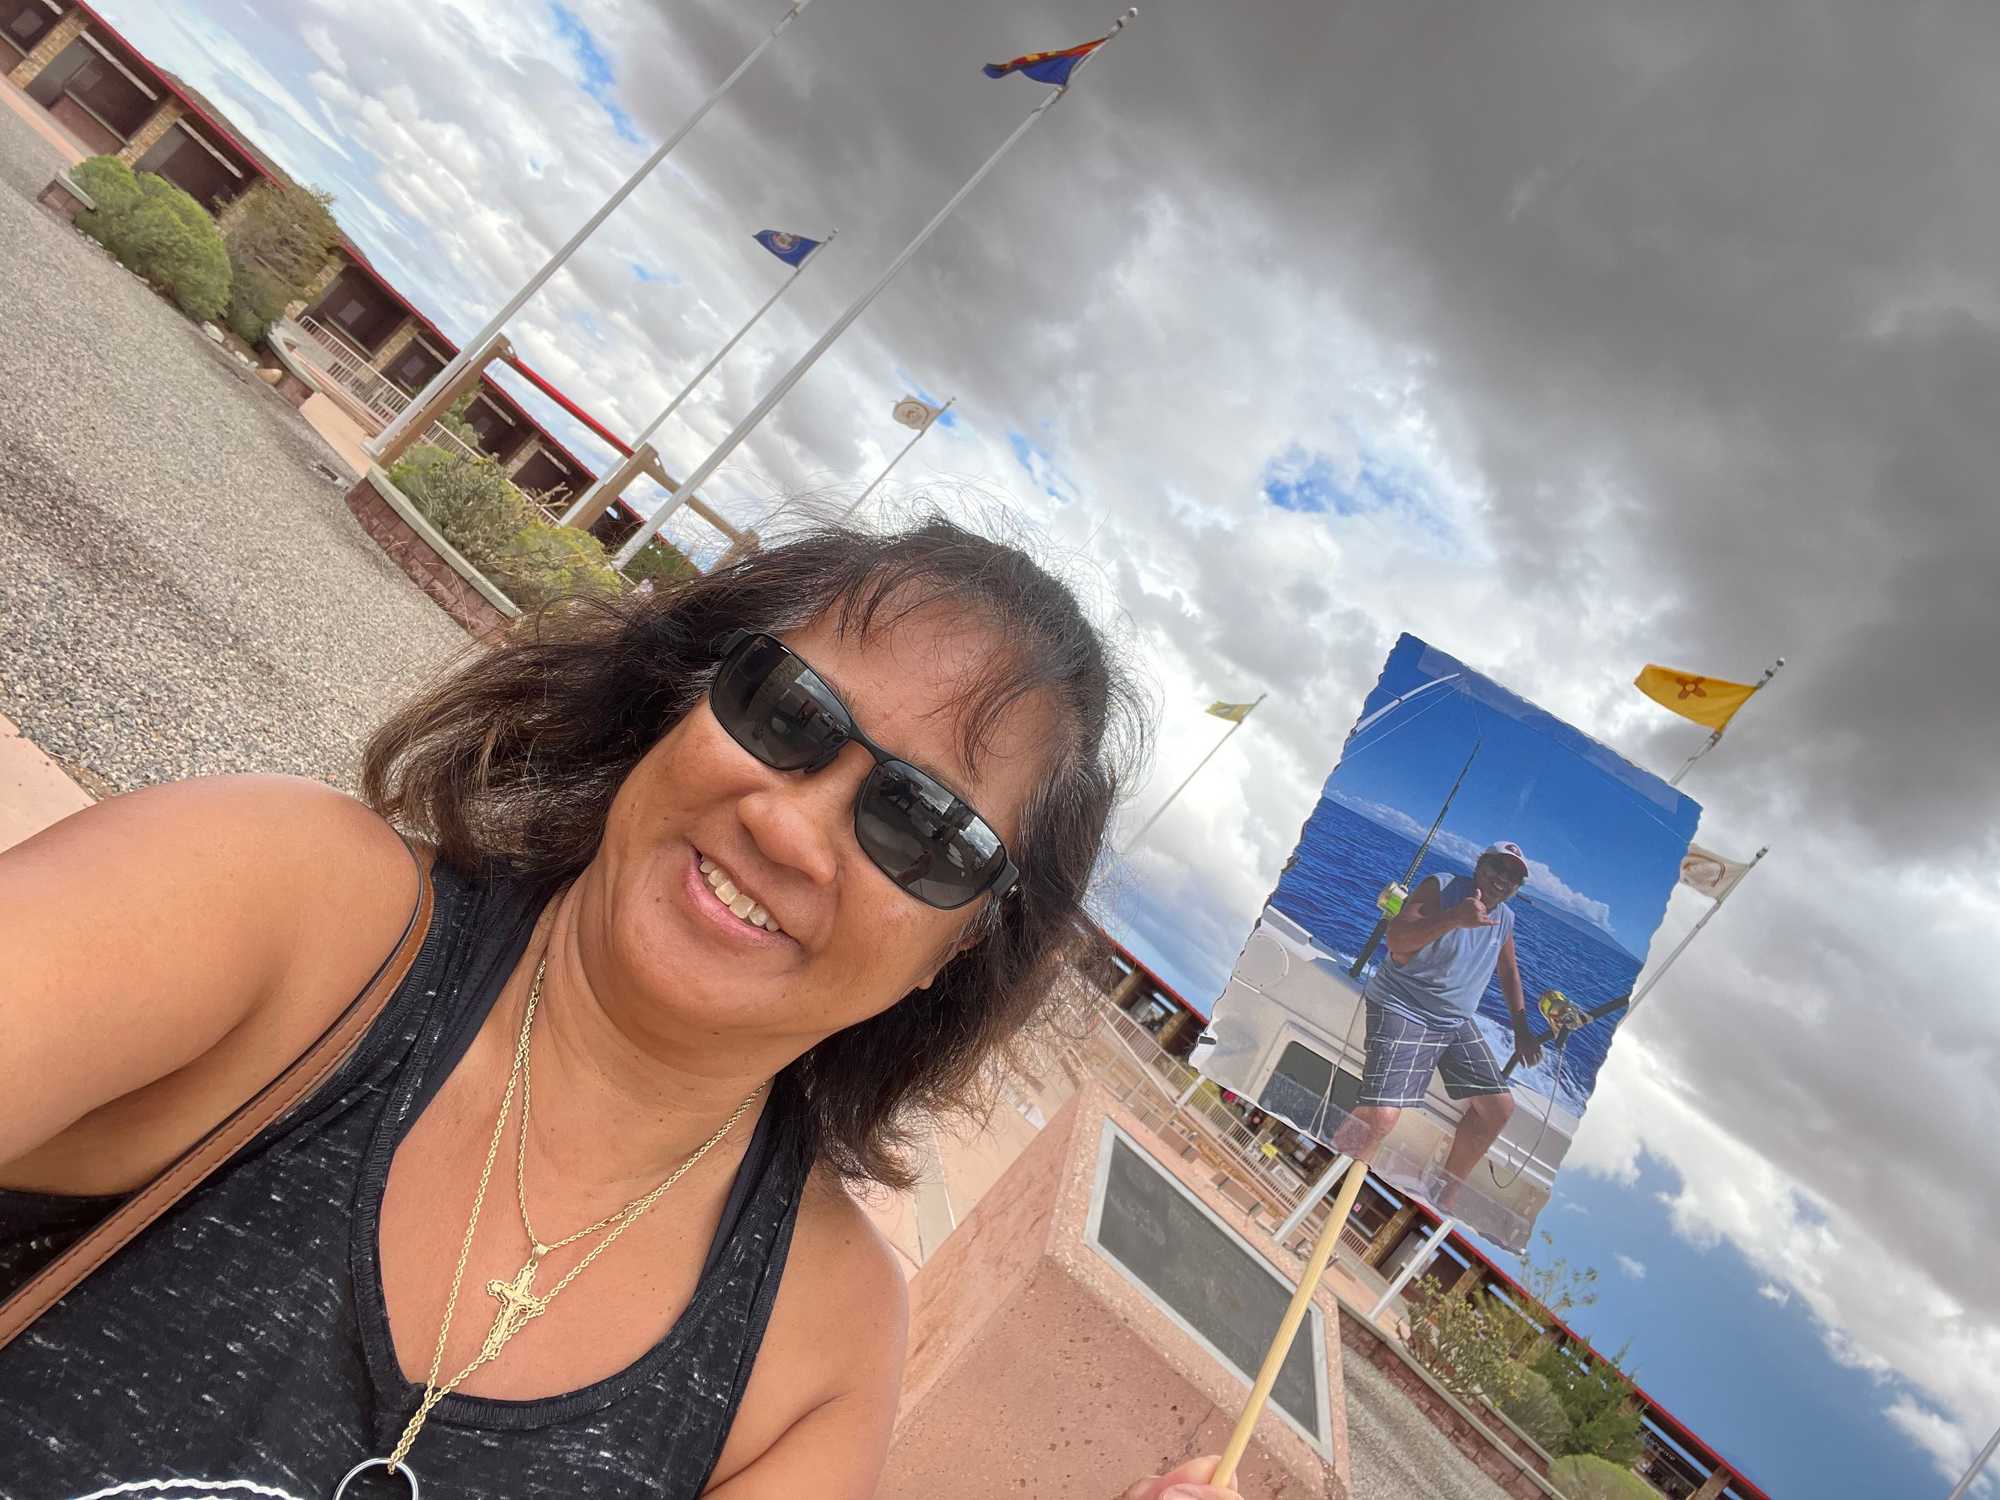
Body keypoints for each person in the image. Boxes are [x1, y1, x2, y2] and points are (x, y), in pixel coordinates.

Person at [0, 520, 1236, 1500]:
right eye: (787, 714)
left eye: (922, 827)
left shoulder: (818, 1344)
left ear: (957, 956)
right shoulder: (277, 904)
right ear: (678, 705)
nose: (788, 824)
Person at [1334, 842, 1543, 1211]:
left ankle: (1441, 1197)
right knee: (1382, 1116)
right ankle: (1332, 1179)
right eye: (1498, 867)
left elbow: (1508, 970)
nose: (1503, 879)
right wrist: (1454, 919)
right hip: (1403, 1005)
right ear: (1480, 864)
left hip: (1452, 1022)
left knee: (1499, 1109)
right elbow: (1396, 940)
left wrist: (1522, 1027)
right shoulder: (1442, 887)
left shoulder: (1505, 918)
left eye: (1514, 877)